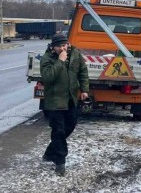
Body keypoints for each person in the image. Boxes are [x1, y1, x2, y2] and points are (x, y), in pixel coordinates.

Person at [40, 33, 89, 176]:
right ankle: (60, 161)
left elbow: (82, 72)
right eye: (60, 46)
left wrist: (84, 89)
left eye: (65, 45)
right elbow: (48, 77)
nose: (63, 49)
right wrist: (60, 62)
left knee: (70, 126)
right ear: (53, 47)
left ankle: (50, 152)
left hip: (71, 98)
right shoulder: (47, 59)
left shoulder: (75, 54)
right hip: (55, 101)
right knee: (58, 130)